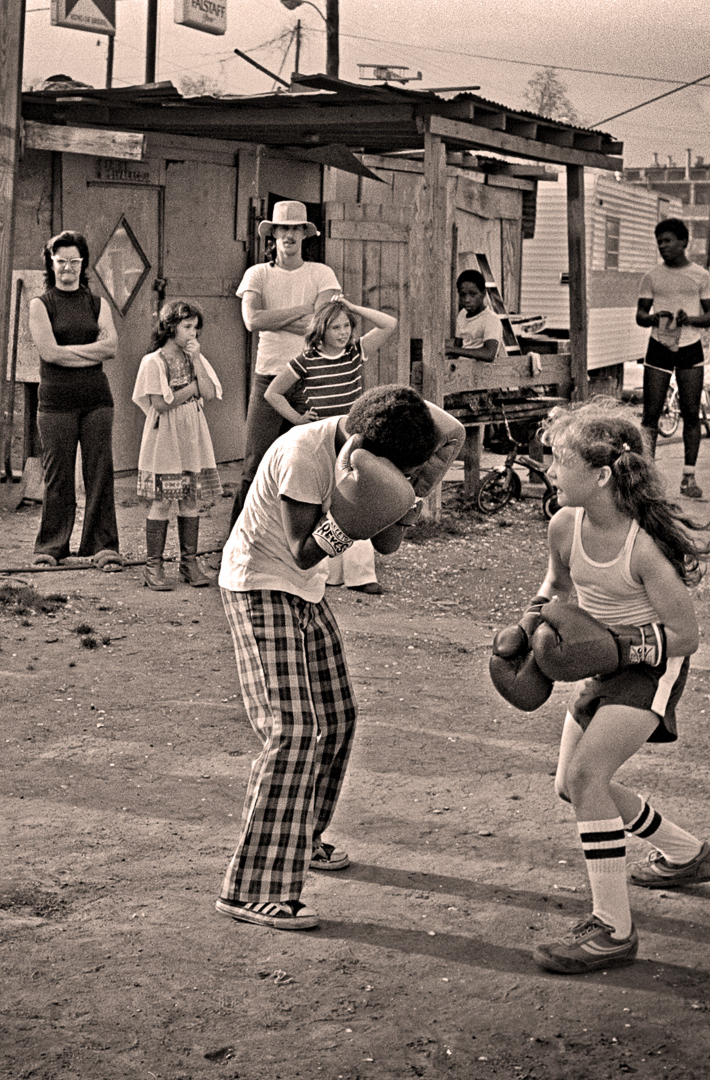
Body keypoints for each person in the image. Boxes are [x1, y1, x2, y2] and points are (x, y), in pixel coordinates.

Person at [215, 385, 465, 930]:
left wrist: (404, 499)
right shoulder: (306, 455)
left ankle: (299, 838)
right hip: (259, 584)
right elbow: (304, 548)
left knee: (337, 718)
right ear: (362, 452)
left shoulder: (373, 437)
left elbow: (442, 427)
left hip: (303, 590)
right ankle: (251, 886)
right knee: (294, 730)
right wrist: (356, 518)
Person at [520, 403, 710, 973]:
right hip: (603, 663)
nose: (549, 471)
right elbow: (556, 587)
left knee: (587, 778)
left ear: (602, 475)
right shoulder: (564, 525)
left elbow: (686, 635)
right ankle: (686, 853)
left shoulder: (644, 547)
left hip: (653, 668)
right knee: (572, 786)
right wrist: (529, 625)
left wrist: (620, 648)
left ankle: (613, 928)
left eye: (559, 461)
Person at [263, 297, 399, 593]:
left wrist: (353, 306)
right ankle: (331, 574)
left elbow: (389, 324)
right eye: (335, 327)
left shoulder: (354, 353)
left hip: (352, 439)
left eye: (347, 326)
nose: (343, 332)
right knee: (326, 504)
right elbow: (273, 393)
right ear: (321, 330)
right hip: (321, 441)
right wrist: (298, 419)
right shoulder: (306, 360)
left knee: (357, 500)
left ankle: (361, 575)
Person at [230, 200, 342, 529]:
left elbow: (320, 326)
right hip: (269, 378)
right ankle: (237, 544)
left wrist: (275, 318)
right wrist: (301, 310)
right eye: (284, 229)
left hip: (312, 379)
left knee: (314, 464)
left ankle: (308, 546)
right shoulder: (258, 274)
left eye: (296, 228)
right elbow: (252, 320)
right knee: (255, 464)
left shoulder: (322, 273)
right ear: (273, 234)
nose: (289, 235)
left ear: (305, 235)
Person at [26, 231, 123, 570]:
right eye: (61, 261)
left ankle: (103, 546)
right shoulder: (41, 304)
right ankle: (51, 547)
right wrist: (88, 352)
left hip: (97, 401)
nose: (67, 267)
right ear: (51, 264)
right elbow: (49, 353)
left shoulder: (97, 303)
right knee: (58, 475)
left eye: (74, 261)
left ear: (83, 265)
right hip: (55, 405)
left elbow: (111, 347)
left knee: (100, 472)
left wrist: (68, 352)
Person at [131, 300, 223, 590]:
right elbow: (159, 402)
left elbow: (209, 391)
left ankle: (189, 563)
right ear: (170, 328)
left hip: (191, 433)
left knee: (190, 497)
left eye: (196, 327)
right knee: (163, 498)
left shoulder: (195, 358)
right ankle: (153, 566)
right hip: (166, 435)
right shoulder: (153, 361)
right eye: (186, 327)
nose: (192, 333)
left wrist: (197, 363)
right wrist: (191, 389)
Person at [636, 219, 710, 500]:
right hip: (659, 346)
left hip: (689, 347)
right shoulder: (652, 276)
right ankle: (646, 479)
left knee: (691, 413)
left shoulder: (700, 276)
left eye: (668, 240)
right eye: (659, 241)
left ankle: (688, 477)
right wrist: (651, 318)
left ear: (684, 242)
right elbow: (640, 315)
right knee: (651, 414)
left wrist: (690, 319)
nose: (663, 246)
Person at [446, 269, 503, 363]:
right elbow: (457, 346)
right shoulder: (462, 315)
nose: (467, 300)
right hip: (461, 370)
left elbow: (489, 354)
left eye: (472, 294)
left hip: (484, 373)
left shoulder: (491, 320)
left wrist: (451, 350)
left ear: (483, 294)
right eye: (462, 295)